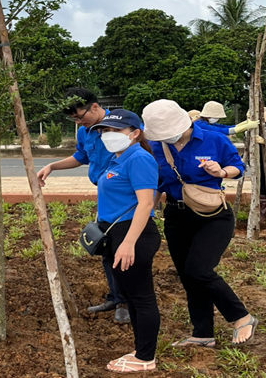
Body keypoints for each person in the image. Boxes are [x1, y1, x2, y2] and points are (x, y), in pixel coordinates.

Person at [142, 99, 257, 348]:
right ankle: (203, 333)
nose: (168, 138)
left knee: (200, 270)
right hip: (176, 215)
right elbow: (157, 184)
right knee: (188, 276)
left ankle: (241, 317)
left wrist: (221, 172)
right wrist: (146, 213)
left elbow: (239, 167)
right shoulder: (156, 146)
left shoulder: (213, 139)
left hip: (212, 215)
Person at [36, 88, 129, 324]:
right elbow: (82, 157)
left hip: (125, 198)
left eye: (80, 116)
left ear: (95, 106)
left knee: (124, 248)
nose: (78, 122)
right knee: (106, 248)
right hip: (104, 196)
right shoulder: (84, 133)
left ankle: (126, 302)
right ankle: (115, 296)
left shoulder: (119, 128)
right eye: (74, 120)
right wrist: (52, 166)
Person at [88, 110, 161, 373]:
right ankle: (141, 350)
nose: (108, 136)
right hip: (116, 233)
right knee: (129, 296)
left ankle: (145, 358)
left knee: (141, 298)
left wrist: (129, 243)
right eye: (104, 131)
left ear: (134, 133)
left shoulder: (139, 158)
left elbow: (145, 203)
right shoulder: (118, 157)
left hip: (133, 234)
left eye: (115, 131)